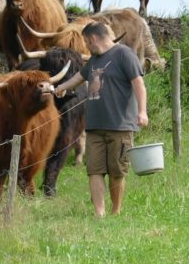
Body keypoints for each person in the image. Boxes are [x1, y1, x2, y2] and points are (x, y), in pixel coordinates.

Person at [54, 21, 148, 216]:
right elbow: (79, 78)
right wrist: (62, 88)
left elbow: (139, 84)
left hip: (120, 125)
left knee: (117, 171)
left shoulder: (124, 55)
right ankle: (100, 214)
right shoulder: (94, 60)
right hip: (94, 126)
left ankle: (115, 212)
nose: (87, 46)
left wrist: (142, 112)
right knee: (94, 170)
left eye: (87, 42)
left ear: (94, 38)